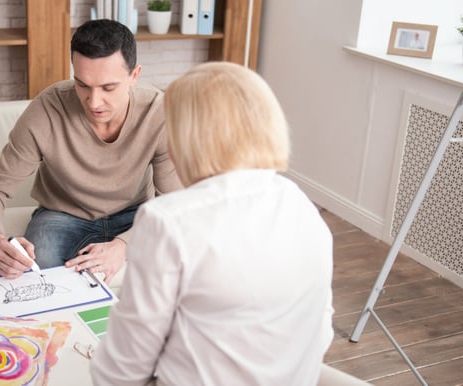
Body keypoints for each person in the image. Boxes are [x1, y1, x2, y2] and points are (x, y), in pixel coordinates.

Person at [90, 62, 335, 385]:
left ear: (188, 138)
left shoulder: (168, 220)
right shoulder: (300, 202)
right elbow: (321, 330)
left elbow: (122, 370)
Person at [0, 19, 181, 283]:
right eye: (82, 84)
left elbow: (174, 205)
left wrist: (125, 245)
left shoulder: (159, 112)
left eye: (108, 88)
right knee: (36, 268)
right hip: (63, 215)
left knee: (177, 254)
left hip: (135, 214)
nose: (94, 102)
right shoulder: (46, 111)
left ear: (134, 76)